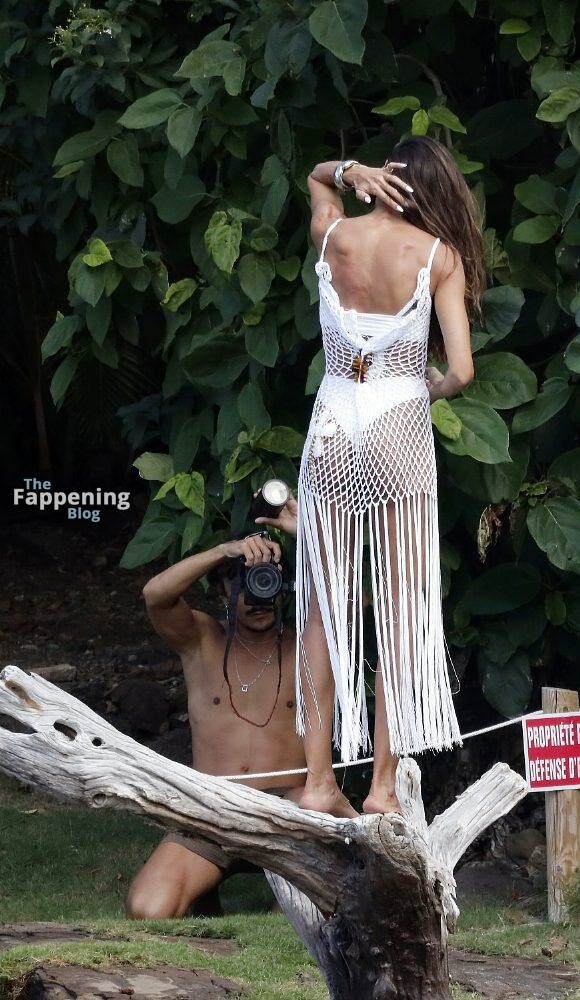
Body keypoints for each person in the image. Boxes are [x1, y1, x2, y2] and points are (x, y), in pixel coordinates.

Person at [294, 135, 485, 819]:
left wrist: (347, 171)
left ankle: (318, 783)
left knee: (325, 607)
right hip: (397, 425)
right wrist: (430, 389)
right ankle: (380, 789)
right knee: (400, 609)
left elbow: (315, 179)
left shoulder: (334, 236)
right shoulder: (437, 257)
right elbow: (461, 370)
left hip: (331, 424)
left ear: (383, 179)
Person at [126, 496, 305, 919]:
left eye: (268, 580)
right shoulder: (201, 640)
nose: (259, 595)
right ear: (224, 588)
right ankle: (205, 892)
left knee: (307, 914)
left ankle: (274, 896)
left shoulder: (308, 642)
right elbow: (155, 595)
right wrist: (225, 551)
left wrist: (310, 537)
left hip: (292, 808)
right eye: (245, 582)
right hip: (211, 808)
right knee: (148, 910)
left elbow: (361, 598)